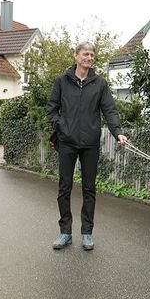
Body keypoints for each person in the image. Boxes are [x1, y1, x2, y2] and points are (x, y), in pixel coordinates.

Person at [46, 42, 127, 251]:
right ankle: (65, 232)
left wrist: (117, 132)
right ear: (76, 56)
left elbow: (109, 110)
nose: (89, 58)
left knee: (89, 189)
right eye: (85, 54)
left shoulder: (99, 84)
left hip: (90, 143)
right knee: (64, 187)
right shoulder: (62, 81)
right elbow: (52, 110)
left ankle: (87, 233)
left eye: (92, 55)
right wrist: (61, 126)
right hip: (66, 143)